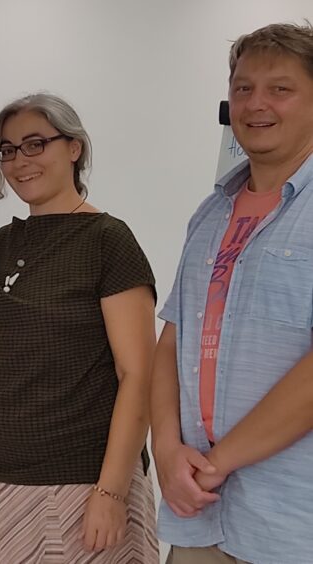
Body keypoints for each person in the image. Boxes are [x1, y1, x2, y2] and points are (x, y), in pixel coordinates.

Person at [0, 93, 158, 562]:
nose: (20, 160)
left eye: (35, 144)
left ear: (73, 148)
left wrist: (111, 492)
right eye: (7, 150)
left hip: (79, 486)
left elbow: (138, 375)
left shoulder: (108, 240)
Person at [153, 22, 313, 564]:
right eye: (243, 88)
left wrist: (219, 462)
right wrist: (165, 449)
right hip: (199, 513)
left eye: (280, 88)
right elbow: (172, 341)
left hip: (292, 520)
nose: (256, 104)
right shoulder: (210, 213)